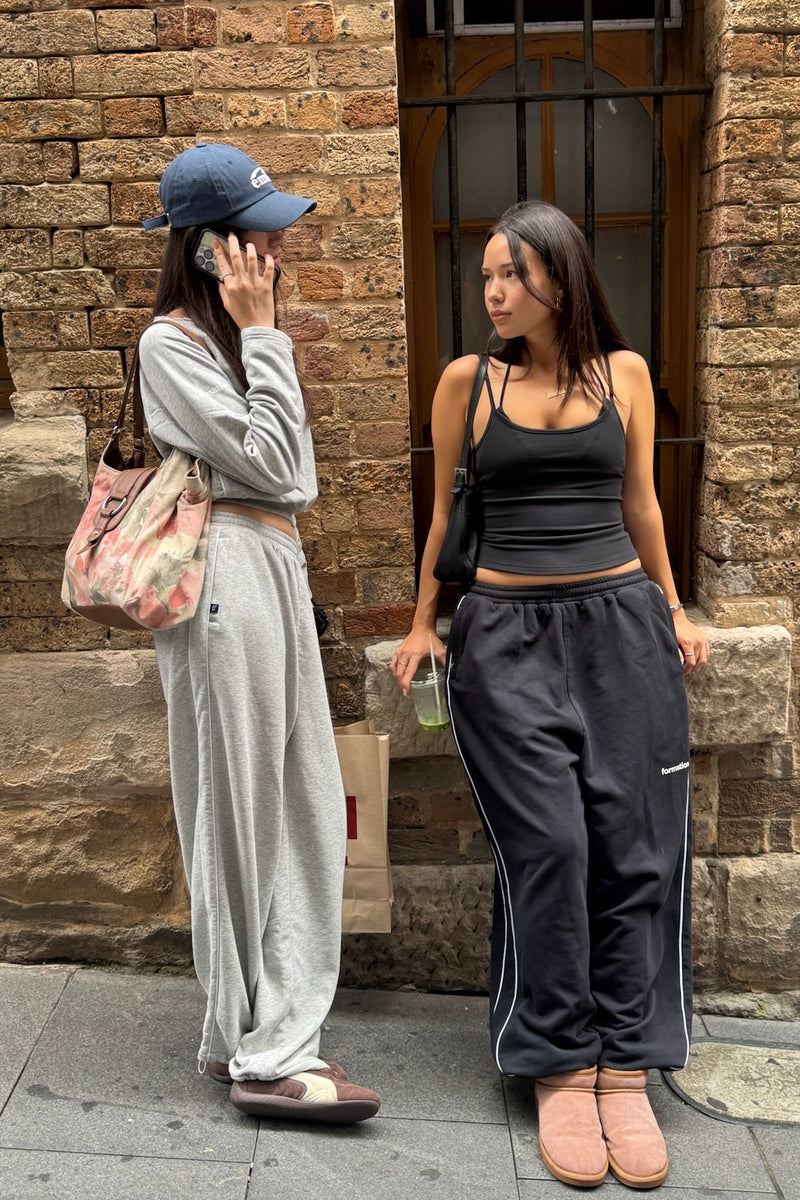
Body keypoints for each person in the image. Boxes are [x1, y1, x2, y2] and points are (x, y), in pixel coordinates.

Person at [391, 200, 709, 1188]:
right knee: (551, 847)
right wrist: (419, 620)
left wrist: (673, 607)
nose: (491, 291)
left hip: (618, 630)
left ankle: (625, 1067)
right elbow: (443, 506)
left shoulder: (624, 375)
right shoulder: (466, 384)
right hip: (503, 639)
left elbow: (639, 502)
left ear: (561, 281)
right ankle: (560, 1066)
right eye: (485, 274)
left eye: (511, 274)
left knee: (630, 845)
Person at [138, 142, 380, 1124]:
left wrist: (259, 339)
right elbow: (281, 468)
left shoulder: (233, 343)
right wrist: (264, 335)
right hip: (224, 580)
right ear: (205, 250)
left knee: (289, 805)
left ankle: (241, 1030)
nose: (273, 250)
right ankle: (269, 1052)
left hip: (266, 570)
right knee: (247, 813)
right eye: (255, 235)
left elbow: (292, 479)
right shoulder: (173, 346)